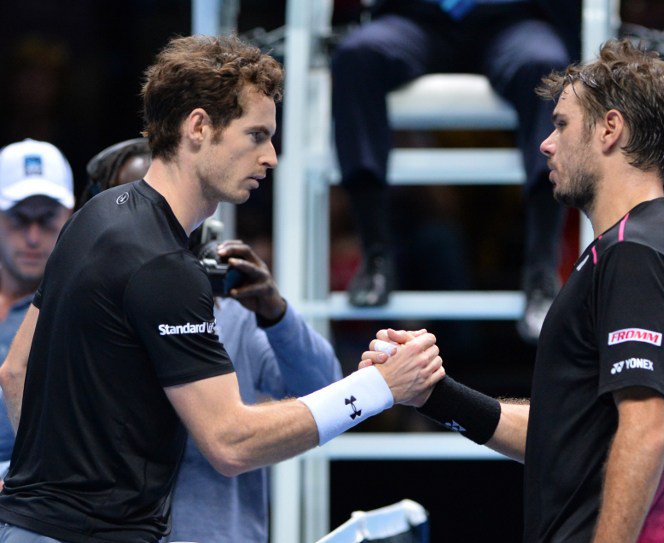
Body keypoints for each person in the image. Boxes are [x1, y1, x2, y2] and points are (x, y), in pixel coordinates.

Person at [0, 35, 444, 543]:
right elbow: (230, 443)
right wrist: (380, 387)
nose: (272, 157)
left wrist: (62, 488)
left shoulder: (96, 216)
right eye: (256, 135)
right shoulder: (166, 265)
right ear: (198, 127)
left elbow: (16, 372)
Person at [364, 39, 664, 542]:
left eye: (562, 124)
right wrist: (435, 396)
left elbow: (645, 430)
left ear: (610, 129)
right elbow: (564, 435)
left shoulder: (634, 254)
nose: (546, 143)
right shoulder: (641, 246)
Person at [80, 137, 344, 543]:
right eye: (134, 208)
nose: (148, 227)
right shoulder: (76, 317)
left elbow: (326, 392)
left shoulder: (237, 317)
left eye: (163, 209)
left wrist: (277, 314)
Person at [331, 0, 577, 342]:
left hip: (509, 19)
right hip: (416, 18)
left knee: (546, 66)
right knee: (357, 56)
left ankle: (542, 272)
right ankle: (374, 258)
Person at [0, 139, 74, 478]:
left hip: (42, 509)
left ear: (70, 218)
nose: (32, 237)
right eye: (18, 219)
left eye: (46, 220)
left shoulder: (88, 310)